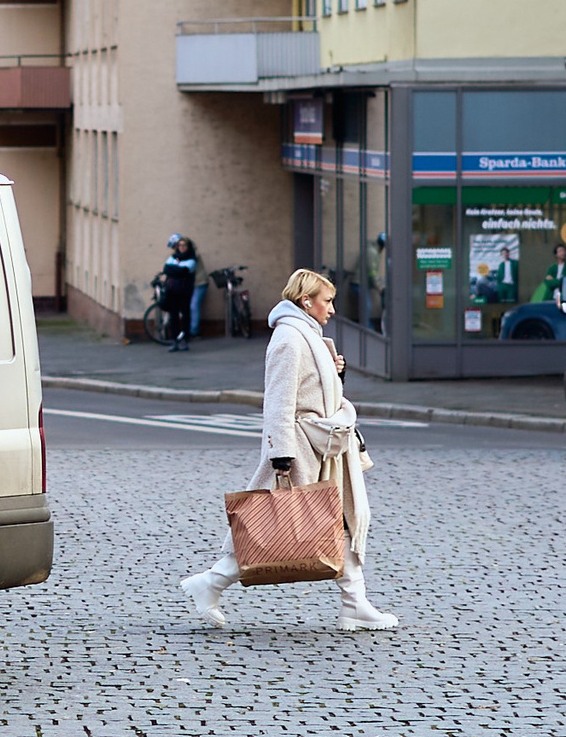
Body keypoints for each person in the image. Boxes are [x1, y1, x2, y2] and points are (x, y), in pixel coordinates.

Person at [180, 267, 399, 632]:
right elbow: (278, 402)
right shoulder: (289, 339)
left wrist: (335, 374)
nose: (331, 310)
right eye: (327, 302)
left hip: (325, 447)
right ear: (306, 301)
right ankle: (210, 582)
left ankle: (355, 605)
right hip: (301, 449)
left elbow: (316, 391)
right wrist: (281, 454)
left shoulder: (309, 335)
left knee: (341, 521)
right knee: (276, 525)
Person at [155, 234, 200, 352]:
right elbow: (166, 269)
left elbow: (184, 271)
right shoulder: (173, 257)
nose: (181, 247)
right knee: (173, 316)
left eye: (184, 245)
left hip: (185, 291)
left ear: (188, 247)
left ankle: (184, 339)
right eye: (179, 245)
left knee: (185, 315)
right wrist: (175, 271)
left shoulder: (192, 259)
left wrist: (174, 270)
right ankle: (174, 340)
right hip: (172, 290)